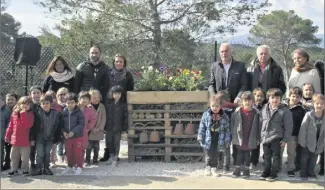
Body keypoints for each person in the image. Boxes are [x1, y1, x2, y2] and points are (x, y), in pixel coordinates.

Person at [259, 88, 293, 182]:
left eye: (277, 97)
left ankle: (274, 173)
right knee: (266, 156)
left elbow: (288, 126)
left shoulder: (285, 111)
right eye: (272, 97)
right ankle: (266, 171)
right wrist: (260, 136)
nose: (275, 100)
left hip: (277, 138)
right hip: (266, 137)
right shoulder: (264, 109)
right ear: (268, 99)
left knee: (276, 157)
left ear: (281, 99)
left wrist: (285, 139)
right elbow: (261, 122)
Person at [197, 94, 231, 177]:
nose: (215, 108)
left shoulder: (224, 116)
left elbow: (227, 129)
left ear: (220, 106)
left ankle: (214, 168)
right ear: (209, 105)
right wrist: (200, 136)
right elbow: (202, 126)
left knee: (216, 153)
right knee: (208, 153)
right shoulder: (206, 115)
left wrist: (227, 139)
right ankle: (207, 167)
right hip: (209, 137)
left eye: (217, 106)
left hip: (219, 137)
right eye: (213, 106)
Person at [231, 91, 260, 178]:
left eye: (249, 100)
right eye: (245, 100)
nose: (247, 102)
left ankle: (246, 170)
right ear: (242, 101)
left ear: (253, 101)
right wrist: (233, 135)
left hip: (250, 137)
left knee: (247, 154)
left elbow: (259, 126)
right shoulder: (237, 112)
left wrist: (258, 138)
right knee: (239, 154)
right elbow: (232, 124)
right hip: (240, 137)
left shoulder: (256, 113)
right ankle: (237, 169)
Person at [5, 96, 34, 177]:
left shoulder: (30, 114)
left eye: (28, 104)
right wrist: (7, 136)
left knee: (25, 158)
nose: (25, 105)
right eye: (23, 104)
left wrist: (23, 113)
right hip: (15, 141)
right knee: (13, 157)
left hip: (25, 141)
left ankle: (25, 170)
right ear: (19, 104)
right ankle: (14, 170)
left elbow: (28, 125)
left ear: (30, 106)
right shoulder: (14, 113)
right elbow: (10, 126)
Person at [33, 95, 62, 176]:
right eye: (43, 103)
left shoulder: (55, 113)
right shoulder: (37, 113)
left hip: (50, 137)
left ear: (51, 104)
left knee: (47, 153)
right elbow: (34, 126)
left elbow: (57, 126)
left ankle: (46, 168)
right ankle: (39, 168)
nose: (45, 105)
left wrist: (56, 138)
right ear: (40, 104)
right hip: (39, 137)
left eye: (47, 103)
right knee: (40, 153)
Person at [281, 87, 307, 177]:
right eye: (293, 96)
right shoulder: (282, 106)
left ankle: (290, 169)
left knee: (291, 153)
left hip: (294, 134)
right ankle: (276, 167)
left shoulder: (302, 109)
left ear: (300, 98)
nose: (295, 98)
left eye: (297, 97)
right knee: (279, 151)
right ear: (289, 96)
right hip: (282, 133)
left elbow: (303, 123)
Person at [298, 93, 324, 180]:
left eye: (322, 103)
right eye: (317, 103)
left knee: (314, 157)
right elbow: (303, 128)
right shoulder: (309, 115)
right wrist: (302, 141)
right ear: (313, 104)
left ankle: (311, 171)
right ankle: (303, 172)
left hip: (319, 141)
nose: (319, 105)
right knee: (305, 157)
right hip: (308, 140)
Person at [60, 93, 85, 175]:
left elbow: (81, 124)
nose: (70, 105)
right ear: (65, 103)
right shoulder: (63, 113)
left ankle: (79, 167)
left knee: (78, 152)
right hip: (67, 137)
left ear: (76, 103)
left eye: (72, 102)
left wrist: (73, 132)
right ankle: (70, 166)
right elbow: (61, 125)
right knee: (69, 152)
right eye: (68, 103)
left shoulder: (79, 112)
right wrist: (64, 132)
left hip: (77, 136)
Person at [105, 85, 128, 166]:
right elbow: (106, 116)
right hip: (109, 127)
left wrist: (125, 128)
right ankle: (111, 157)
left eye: (119, 93)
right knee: (109, 142)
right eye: (115, 93)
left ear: (121, 94)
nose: (117, 95)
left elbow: (125, 117)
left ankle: (115, 158)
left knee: (116, 143)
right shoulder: (108, 104)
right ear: (112, 94)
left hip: (118, 127)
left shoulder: (123, 105)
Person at [86, 89, 106, 166]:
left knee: (96, 146)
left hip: (98, 130)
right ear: (90, 98)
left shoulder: (102, 106)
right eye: (94, 97)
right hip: (90, 130)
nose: (96, 99)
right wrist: (91, 128)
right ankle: (87, 159)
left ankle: (95, 159)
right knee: (88, 146)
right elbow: (86, 119)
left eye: (98, 97)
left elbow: (104, 118)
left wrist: (100, 128)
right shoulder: (88, 106)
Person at [77, 91, 97, 167]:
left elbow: (93, 119)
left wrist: (89, 127)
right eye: (83, 98)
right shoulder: (74, 108)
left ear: (89, 100)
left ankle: (80, 163)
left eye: (87, 98)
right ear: (79, 99)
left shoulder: (89, 110)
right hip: (74, 131)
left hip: (84, 131)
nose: (85, 100)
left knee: (82, 147)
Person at [2, 93, 18, 171]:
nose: (10, 101)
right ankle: (7, 163)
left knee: (17, 150)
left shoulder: (18, 109)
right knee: (8, 149)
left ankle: (19, 163)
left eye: (12, 99)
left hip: (17, 133)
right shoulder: (3, 109)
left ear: (16, 100)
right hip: (7, 133)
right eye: (8, 99)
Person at [250, 87, 265, 169]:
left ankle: (261, 159)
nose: (259, 98)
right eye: (258, 96)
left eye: (262, 96)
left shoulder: (265, 107)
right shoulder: (250, 106)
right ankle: (253, 161)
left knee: (260, 145)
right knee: (253, 145)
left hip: (262, 129)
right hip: (252, 129)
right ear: (253, 96)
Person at [29, 86, 42, 171]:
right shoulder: (29, 106)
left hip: (42, 131)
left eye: (38, 93)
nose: (36, 95)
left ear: (41, 94)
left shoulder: (44, 104)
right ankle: (32, 163)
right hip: (31, 131)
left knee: (41, 149)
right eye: (34, 93)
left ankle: (41, 164)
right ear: (30, 95)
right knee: (32, 149)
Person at [55, 87, 69, 163]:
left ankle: (67, 156)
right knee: (60, 143)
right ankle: (60, 156)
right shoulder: (55, 105)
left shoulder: (70, 105)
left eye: (64, 94)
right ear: (57, 95)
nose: (63, 96)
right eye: (60, 94)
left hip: (67, 127)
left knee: (67, 142)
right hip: (58, 127)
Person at [0, 95, 11, 171]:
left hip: (1, 135)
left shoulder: (6, 110)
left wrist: (7, 135)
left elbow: (9, 124)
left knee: (1, 151)